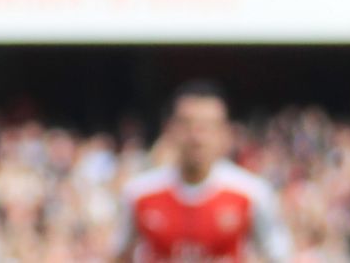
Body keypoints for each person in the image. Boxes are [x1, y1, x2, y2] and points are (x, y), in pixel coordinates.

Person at [115, 80, 290, 263]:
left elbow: (278, 254)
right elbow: (119, 254)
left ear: (224, 132)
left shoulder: (252, 193)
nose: (197, 137)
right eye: (187, 125)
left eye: (208, 126)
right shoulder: (139, 194)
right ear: (169, 128)